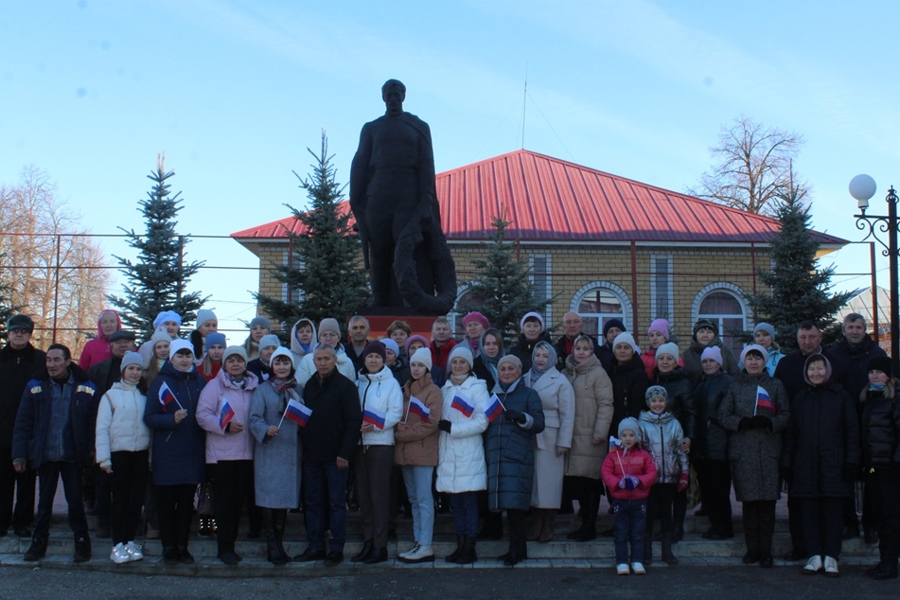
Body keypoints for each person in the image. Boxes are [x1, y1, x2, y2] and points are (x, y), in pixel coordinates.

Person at [349, 78, 456, 313]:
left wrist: (426, 200)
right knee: (379, 247)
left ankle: (411, 301)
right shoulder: (371, 128)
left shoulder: (418, 126)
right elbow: (359, 164)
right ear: (383, 97)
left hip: (408, 192)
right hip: (378, 192)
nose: (393, 98)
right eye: (389, 94)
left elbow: (427, 165)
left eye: (397, 94)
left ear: (403, 97)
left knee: (407, 245)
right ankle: (379, 298)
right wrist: (357, 203)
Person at [13, 343, 94, 563]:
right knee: (44, 502)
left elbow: (92, 421)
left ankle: (82, 542)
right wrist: (19, 454)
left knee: (75, 501)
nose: (52, 364)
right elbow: (23, 422)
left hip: (72, 454)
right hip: (45, 454)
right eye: (49, 360)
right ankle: (39, 543)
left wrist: (91, 450)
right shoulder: (34, 386)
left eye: (57, 360)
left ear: (68, 361)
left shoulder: (85, 386)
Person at [782, 353, 859, 577]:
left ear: (828, 370)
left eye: (820, 368)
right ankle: (814, 556)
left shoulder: (841, 397)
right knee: (809, 513)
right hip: (805, 465)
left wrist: (852, 459)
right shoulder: (801, 398)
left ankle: (832, 556)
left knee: (833, 513)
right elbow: (792, 434)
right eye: (811, 370)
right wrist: (787, 461)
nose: (816, 373)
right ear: (806, 374)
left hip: (833, 464)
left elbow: (851, 432)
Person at [718, 344, 789, 568]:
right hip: (743, 452)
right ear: (744, 362)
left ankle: (766, 551)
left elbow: (786, 413)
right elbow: (723, 414)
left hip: (768, 451)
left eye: (758, 358)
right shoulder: (735, 386)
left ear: (764, 361)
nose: (754, 362)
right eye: (750, 358)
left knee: (767, 505)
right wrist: (741, 422)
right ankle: (752, 550)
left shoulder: (776, 385)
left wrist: (772, 422)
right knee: (749, 505)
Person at [293, 344, 362, 567]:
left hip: (336, 458)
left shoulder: (346, 386)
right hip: (312, 457)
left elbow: (354, 422)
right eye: (318, 359)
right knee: (313, 503)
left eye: (326, 359)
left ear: (335, 360)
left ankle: (336, 548)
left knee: (336, 504)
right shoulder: (309, 386)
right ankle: (315, 546)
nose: (322, 363)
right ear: (314, 361)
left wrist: (345, 453)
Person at [143, 339, 206, 565]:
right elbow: (149, 416)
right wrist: (170, 419)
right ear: (171, 358)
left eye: (188, 355)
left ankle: (183, 546)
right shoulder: (161, 382)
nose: (184, 359)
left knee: (187, 505)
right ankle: (168, 548)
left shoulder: (200, 381)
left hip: (192, 452)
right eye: (180, 355)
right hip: (168, 454)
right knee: (167, 505)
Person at [196, 346, 259, 566]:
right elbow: (202, 415)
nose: (235, 364)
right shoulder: (215, 386)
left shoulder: (254, 386)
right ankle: (225, 548)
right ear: (224, 364)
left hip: (247, 455)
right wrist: (225, 426)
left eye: (239, 360)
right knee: (224, 506)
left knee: (238, 505)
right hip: (221, 457)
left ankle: (232, 543)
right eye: (230, 360)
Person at [828, 313, 887, 543]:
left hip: (873, 424)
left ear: (865, 330)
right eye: (850, 327)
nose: (854, 331)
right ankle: (849, 522)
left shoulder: (877, 354)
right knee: (845, 475)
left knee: (872, 477)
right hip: (842, 424)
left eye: (859, 327)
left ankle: (870, 524)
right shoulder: (833, 355)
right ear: (843, 330)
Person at [485, 355, 545, 566]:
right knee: (505, 505)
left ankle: (516, 550)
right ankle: (518, 550)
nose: (507, 372)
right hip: (497, 455)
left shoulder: (529, 394)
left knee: (515, 508)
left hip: (517, 455)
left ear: (519, 372)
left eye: (511, 368)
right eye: (503, 369)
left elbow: (538, 423)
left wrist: (522, 418)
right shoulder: (492, 395)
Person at [94, 351, 150, 564]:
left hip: (140, 454)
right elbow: (102, 428)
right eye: (131, 369)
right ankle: (117, 543)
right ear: (123, 371)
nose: (135, 373)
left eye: (138, 369)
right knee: (119, 500)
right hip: (118, 454)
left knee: (136, 501)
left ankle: (130, 540)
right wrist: (104, 458)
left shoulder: (144, 395)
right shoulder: (110, 396)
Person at [249, 347, 303, 566]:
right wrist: (265, 429)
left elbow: (305, 416)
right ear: (272, 366)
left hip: (290, 451)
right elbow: (254, 418)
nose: (282, 367)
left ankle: (279, 544)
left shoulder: (298, 389)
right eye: (278, 363)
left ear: (291, 365)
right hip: (269, 450)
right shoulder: (263, 390)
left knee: (283, 500)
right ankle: (272, 545)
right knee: (268, 499)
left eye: (285, 363)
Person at [436, 345, 490, 564]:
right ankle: (460, 546)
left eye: (463, 362)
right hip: (448, 452)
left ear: (470, 365)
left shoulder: (477, 387)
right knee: (455, 503)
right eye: (455, 362)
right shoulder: (445, 389)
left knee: (469, 502)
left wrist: (455, 430)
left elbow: (483, 421)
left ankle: (470, 547)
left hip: (469, 452)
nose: (458, 366)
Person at [351, 341, 403, 565]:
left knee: (379, 497)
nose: (373, 360)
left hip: (381, 444)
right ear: (365, 359)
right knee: (364, 496)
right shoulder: (357, 383)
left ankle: (380, 546)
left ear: (384, 360)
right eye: (370, 356)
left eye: (378, 357)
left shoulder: (391, 384)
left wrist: (376, 425)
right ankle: (368, 541)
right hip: (360, 445)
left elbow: (396, 413)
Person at [394, 347, 443, 563]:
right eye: (413, 364)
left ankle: (426, 544)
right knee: (414, 500)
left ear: (427, 367)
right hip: (406, 454)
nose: (416, 369)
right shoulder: (406, 390)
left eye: (420, 365)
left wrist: (404, 435)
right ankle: (418, 541)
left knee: (424, 499)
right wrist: (399, 425)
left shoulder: (433, 391)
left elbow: (432, 423)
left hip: (423, 452)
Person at [563, 335, 613, 542]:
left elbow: (606, 404)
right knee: (577, 482)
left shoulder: (598, 374)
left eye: (586, 348)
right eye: (578, 348)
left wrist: (600, 432)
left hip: (591, 437)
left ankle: (590, 525)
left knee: (590, 482)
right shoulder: (565, 373)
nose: (581, 352)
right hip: (571, 437)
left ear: (592, 352)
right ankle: (583, 522)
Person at [525, 342, 574, 544]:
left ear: (552, 358)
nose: (540, 359)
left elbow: (568, 413)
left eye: (545, 355)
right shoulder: (525, 377)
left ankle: (548, 524)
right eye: (537, 355)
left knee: (550, 483)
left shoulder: (560, 381)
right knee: (534, 482)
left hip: (551, 437)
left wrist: (564, 441)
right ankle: (536, 521)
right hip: (529, 434)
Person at [0, 314, 43, 539]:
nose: (19, 334)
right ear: (8, 334)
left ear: (29, 334)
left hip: (30, 431)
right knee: (3, 481)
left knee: (26, 482)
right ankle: (2, 521)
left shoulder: (40, 360)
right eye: (15, 331)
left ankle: (23, 522)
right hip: (3, 430)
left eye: (24, 331)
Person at [859, 356, 900, 580]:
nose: (875, 375)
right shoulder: (868, 398)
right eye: (872, 371)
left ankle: (890, 563)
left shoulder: (895, 398)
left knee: (891, 517)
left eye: (880, 372)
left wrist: (897, 461)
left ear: (888, 375)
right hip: (874, 467)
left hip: (890, 468)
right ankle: (884, 560)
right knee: (880, 517)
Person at [650, 341, 695, 542]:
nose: (665, 362)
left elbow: (690, 412)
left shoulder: (683, 383)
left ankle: (677, 526)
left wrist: (689, 437)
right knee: (659, 486)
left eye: (669, 359)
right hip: (656, 443)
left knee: (678, 487)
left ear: (676, 362)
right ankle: (662, 525)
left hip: (677, 443)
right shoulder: (653, 381)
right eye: (662, 358)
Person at [601, 417, 658, 576]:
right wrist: (617, 483)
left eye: (631, 435)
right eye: (624, 435)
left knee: (638, 532)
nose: (628, 438)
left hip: (639, 500)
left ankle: (637, 561)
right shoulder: (613, 456)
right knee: (620, 532)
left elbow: (652, 473)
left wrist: (638, 480)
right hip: (621, 499)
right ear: (620, 437)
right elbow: (606, 472)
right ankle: (621, 562)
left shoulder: (644, 455)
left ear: (637, 436)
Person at [638, 386, 689, 566]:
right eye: (654, 401)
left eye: (661, 400)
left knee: (667, 514)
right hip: (649, 479)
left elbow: (680, 449)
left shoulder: (674, 423)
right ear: (648, 403)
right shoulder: (641, 424)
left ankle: (667, 551)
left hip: (669, 477)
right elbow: (639, 451)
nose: (657, 404)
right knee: (649, 515)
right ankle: (646, 552)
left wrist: (684, 473)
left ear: (666, 402)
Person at [692, 346, 734, 540]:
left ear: (719, 363)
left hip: (719, 444)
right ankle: (714, 524)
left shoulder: (727, 382)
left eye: (712, 361)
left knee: (719, 489)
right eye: (705, 361)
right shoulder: (701, 383)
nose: (708, 364)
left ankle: (724, 526)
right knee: (708, 488)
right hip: (702, 446)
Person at [296, 318, 357, 385]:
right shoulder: (307, 360)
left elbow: (351, 387)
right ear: (319, 339)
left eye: (332, 335)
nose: (328, 339)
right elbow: (301, 386)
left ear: (338, 338)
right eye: (324, 335)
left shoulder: (347, 362)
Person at [682, 319, 739, 384]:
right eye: (701, 332)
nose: (705, 335)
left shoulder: (724, 351)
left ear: (715, 335)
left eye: (709, 332)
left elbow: (736, 375)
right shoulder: (688, 354)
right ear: (695, 335)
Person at [473, 327, 504, 391]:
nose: (491, 347)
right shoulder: (475, 366)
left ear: (500, 345)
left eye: (495, 343)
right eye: (487, 344)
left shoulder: (507, 363)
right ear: (482, 346)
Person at [429, 317, 457, 387]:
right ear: (432, 332)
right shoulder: (427, 351)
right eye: (438, 329)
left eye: (445, 329)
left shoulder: (456, 350)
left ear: (450, 332)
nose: (441, 332)